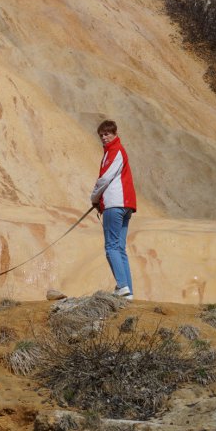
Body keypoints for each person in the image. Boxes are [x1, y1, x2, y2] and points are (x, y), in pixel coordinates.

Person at [90, 119, 137, 300]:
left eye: (107, 134)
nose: (104, 138)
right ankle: (128, 293)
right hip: (126, 205)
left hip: (115, 204)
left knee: (111, 247)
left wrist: (94, 198)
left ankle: (122, 286)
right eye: (101, 135)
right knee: (119, 247)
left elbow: (104, 179)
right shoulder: (114, 151)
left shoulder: (115, 151)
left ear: (115, 133)